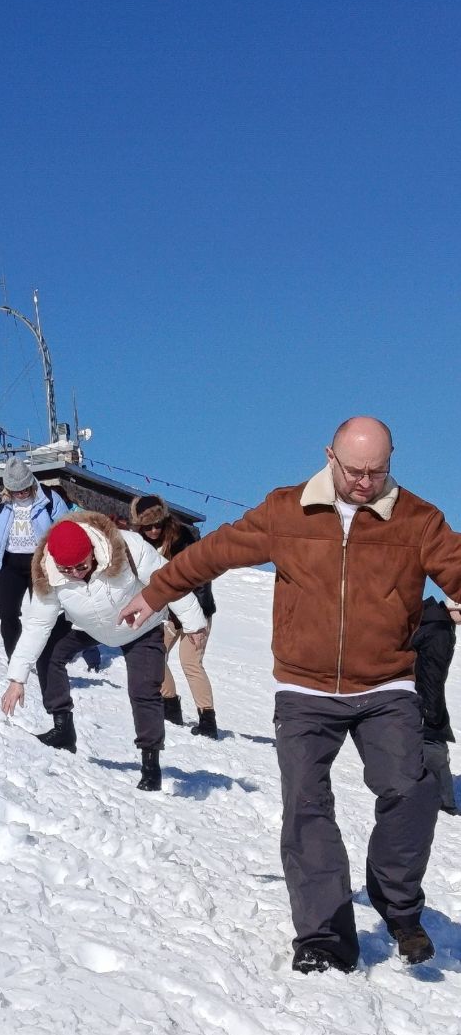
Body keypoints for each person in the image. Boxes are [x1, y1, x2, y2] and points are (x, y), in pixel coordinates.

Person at [120, 416, 461, 973]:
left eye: (378, 471)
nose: (365, 483)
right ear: (330, 456)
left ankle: (397, 902)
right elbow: (217, 551)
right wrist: (157, 593)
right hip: (304, 689)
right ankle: (325, 937)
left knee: (412, 789)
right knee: (306, 806)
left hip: (386, 685)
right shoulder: (288, 510)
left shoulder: (418, 520)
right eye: (355, 470)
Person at [1, 514, 206, 790]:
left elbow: (168, 580)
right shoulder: (48, 571)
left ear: (92, 551)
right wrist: (17, 678)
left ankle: (150, 763)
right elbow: (38, 624)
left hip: (140, 627)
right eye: (67, 569)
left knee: (144, 689)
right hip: (91, 628)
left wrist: (194, 624)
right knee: (50, 652)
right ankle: (63, 729)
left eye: (81, 566)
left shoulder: (127, 547)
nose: (75, 574)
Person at [131, 494, 218, 736]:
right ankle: (170, 706)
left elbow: (200, 580)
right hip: (166, 613)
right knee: (155, 656)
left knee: (190, 661)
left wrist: (195, 621)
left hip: (197, 611)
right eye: (148, 526)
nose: (154, 530)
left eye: (158, 524)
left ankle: (207, 719)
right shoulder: (140, 544)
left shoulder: (183, 538)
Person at [0, 458, 70, 659]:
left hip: (40, 565)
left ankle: (45, 657)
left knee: (43, 614)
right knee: (6, 613)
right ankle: (15, 659)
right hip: (9, 564)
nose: (21, 494)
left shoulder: (49, 498)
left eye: (24, 489)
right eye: (16, 491)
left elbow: (67, 530)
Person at [412, 596, 461, 816]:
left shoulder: (428, 618)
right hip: (425, 701)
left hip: (410, 696)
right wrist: (432, 713)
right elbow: (432, 675)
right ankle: (444, 804)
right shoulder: (440, 629)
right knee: (434, 748)